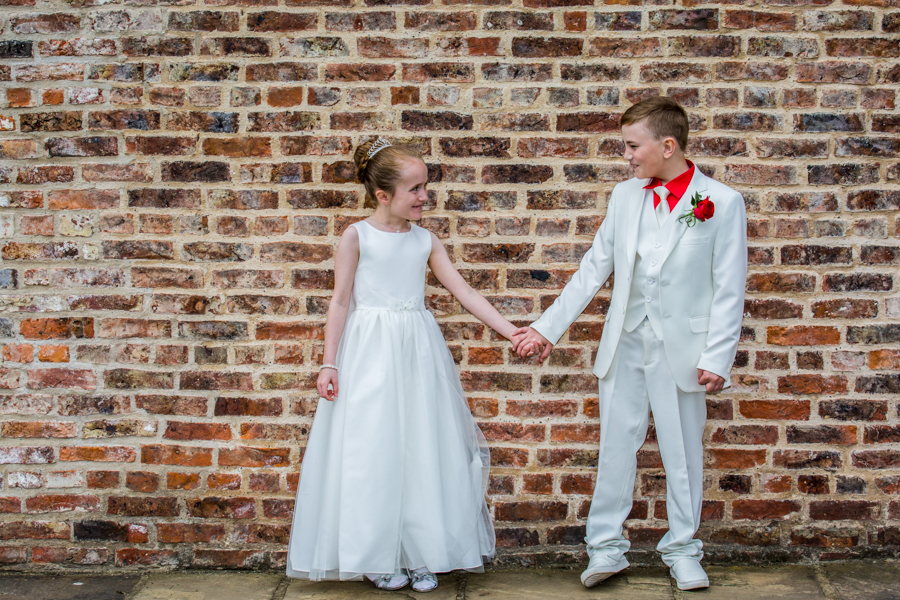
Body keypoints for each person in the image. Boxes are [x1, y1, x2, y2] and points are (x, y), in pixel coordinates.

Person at [513, 97, 747, 591]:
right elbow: (593, 267)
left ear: (668, 145)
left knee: (682, 454)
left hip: (683, 349)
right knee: (615, 449)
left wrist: (718, 356)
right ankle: (605, 547)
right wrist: (546, 328)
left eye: (632, 146)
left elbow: (730, 287)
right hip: (624, 341)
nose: (627, 155)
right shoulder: (624, 196)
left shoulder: (721, 202)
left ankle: (683, 549)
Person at [287, 137, 538, 592]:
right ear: (383, 195)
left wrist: (512, 331)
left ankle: (420, 552)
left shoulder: (425, 240)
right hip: (370, 353)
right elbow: (340, 301)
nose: (425, 196)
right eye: (415, 189)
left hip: (418, 352)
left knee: (421, 448)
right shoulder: (357, 236)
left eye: (425, 186)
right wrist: (329, 364)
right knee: (373, 448)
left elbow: (465, 292)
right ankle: (375, 555)